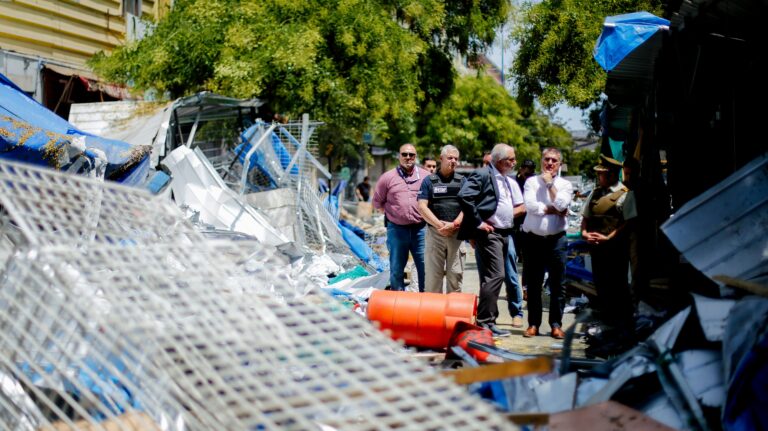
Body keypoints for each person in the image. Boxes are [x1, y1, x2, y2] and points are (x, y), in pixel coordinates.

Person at [458, 144, 525, 337]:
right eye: (511, 159)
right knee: (496, 276)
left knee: (492, 277)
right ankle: (484, 321)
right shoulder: (483, 174)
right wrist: (478, 223)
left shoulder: (504, 178)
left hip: (505, 233)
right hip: (489, 234)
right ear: (499, 160)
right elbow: (464, 196)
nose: (514, 163)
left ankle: (489, 321)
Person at [581, 154, 637, 333]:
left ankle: (620, 324)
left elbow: (628, 222)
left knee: (617, 286)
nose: (599, 177)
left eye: (602, 174)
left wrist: (609, 237)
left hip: (616, 250)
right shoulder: (595, 193)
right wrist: (584, 233)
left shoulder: (625, 195)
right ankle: (607, 321)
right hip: (597, 250)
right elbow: (586, 216)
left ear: (612, 175)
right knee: (601, 285)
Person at [521, 148, 573, 339]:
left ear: (559, 164)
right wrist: (552, 209)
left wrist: (550, 185)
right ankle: (533, 324)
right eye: (546, 159)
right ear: (541, 161)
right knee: (534, 284)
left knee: (558, 284)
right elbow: (530, 206)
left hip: (556, 240)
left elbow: (561, 205)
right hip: (534, 239)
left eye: (554, 160)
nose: (549, 163)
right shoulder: (531, 182)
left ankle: (556, 324)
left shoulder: (565, 185)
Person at [373, 144, 430, 291]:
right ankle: (397, 303)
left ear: (416, 157)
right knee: (397, 269)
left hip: (421, 230)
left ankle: (425, 302)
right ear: (399, 156)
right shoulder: (387, 178)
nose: (408, 157)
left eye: (411, 155)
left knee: (425, 267)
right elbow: (377, 202)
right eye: (404, 154)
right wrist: (394, 214)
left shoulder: (426, 177)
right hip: (397, 230)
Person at [417, 145, 466, 293]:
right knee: (433, 279)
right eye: (450, 157)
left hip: (456, 235)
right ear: (441, 158)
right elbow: (422, 206)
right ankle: (433, 315)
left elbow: (468, 207)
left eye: (456, 159)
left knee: (455, 278)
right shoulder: (429, 181)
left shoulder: (462, 181)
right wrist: (440, 226)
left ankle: (452, 314)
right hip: (435, 235)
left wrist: (455, 224)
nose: (453, 161)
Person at [513, 159, 536, 299]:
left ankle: (526, 288)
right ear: (521, 169)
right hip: (514, 225)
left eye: (531, 172)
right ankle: (513, 288)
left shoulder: (535, 182)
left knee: (528, 261)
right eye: (525, 171)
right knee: (511, 259)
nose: (528, 175)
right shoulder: (514, 182)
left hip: (529, 226)